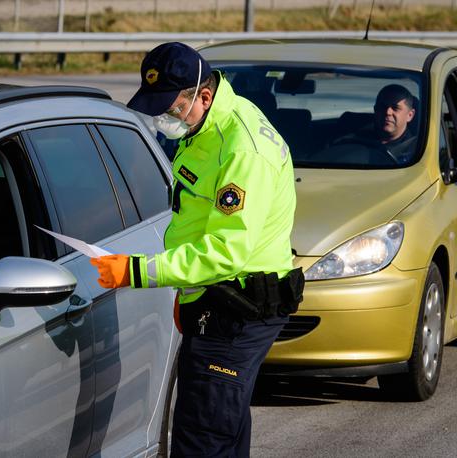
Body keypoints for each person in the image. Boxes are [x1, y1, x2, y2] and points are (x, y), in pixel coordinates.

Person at [90, 42, 303, 457]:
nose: (163, 116)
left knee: (203, 438)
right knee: (223, 431)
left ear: (203, 96)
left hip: (235, 314)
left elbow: (225, 252)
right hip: (217, 301)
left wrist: (133, 272)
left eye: (171, 107)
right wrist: (190, 295)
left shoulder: (241, 149)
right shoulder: (205, 127)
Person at [334, 83, 417, 164]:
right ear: (375, 109)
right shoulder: (351, 137)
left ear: (410, 115)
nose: (388, 112)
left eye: (395, 108)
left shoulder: (416, 153)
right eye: (383, 106)